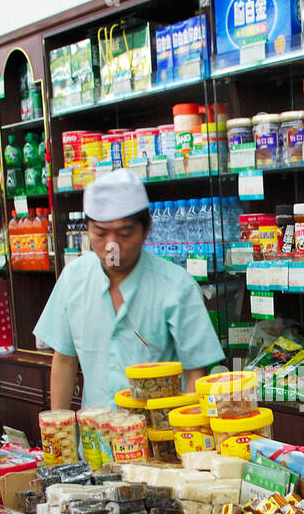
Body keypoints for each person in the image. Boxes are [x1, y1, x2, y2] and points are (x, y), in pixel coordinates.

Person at [33, 169, 223, 410]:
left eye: (124, 234)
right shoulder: (73, 278)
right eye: (100, 233)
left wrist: (182, 434)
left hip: (155, 440)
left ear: (146, 229)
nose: (111, 245)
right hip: (96, 440)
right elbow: (64, 360)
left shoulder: (177, 287)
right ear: (88, 229)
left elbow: (196, 371)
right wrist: (60, 434)